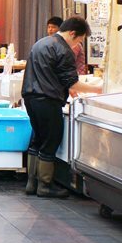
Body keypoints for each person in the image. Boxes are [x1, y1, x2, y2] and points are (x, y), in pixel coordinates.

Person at [22, 17, 102, 198]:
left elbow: (51, 74)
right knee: (51, 140)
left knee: (37, 139)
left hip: (30, 97)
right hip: (48, 100)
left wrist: (67, 87)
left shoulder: (41, 43)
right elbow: (73, 83)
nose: (77, 45)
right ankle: (44, 186)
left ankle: (31, 183)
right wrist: (99, 89)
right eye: (79, 40)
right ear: (73, 33)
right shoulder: (63, 50)